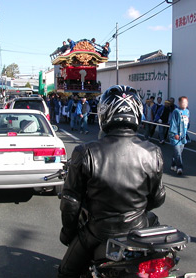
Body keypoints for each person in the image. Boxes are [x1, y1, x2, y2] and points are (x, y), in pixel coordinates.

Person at [58, 85, 165, 277]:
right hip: (138, 227)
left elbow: (70, 202)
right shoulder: (153, 152)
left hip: (99, 231)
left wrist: (67, 231)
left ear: (104, 113)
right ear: (137, 112)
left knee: (66, 272)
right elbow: (157, 198)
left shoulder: (86, 151)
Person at [169, 96, 190, 175]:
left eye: (186, 102)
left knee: (179, 152)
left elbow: (187, 123)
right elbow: (173, 123)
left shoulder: (187, 112)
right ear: (179, 103)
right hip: (176, 136)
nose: (184, 104)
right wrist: (175, 133)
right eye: (183, 102)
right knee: (177, 152)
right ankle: (180, 167)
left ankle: (173, 164)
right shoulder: (176, 111)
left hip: (183, 136)